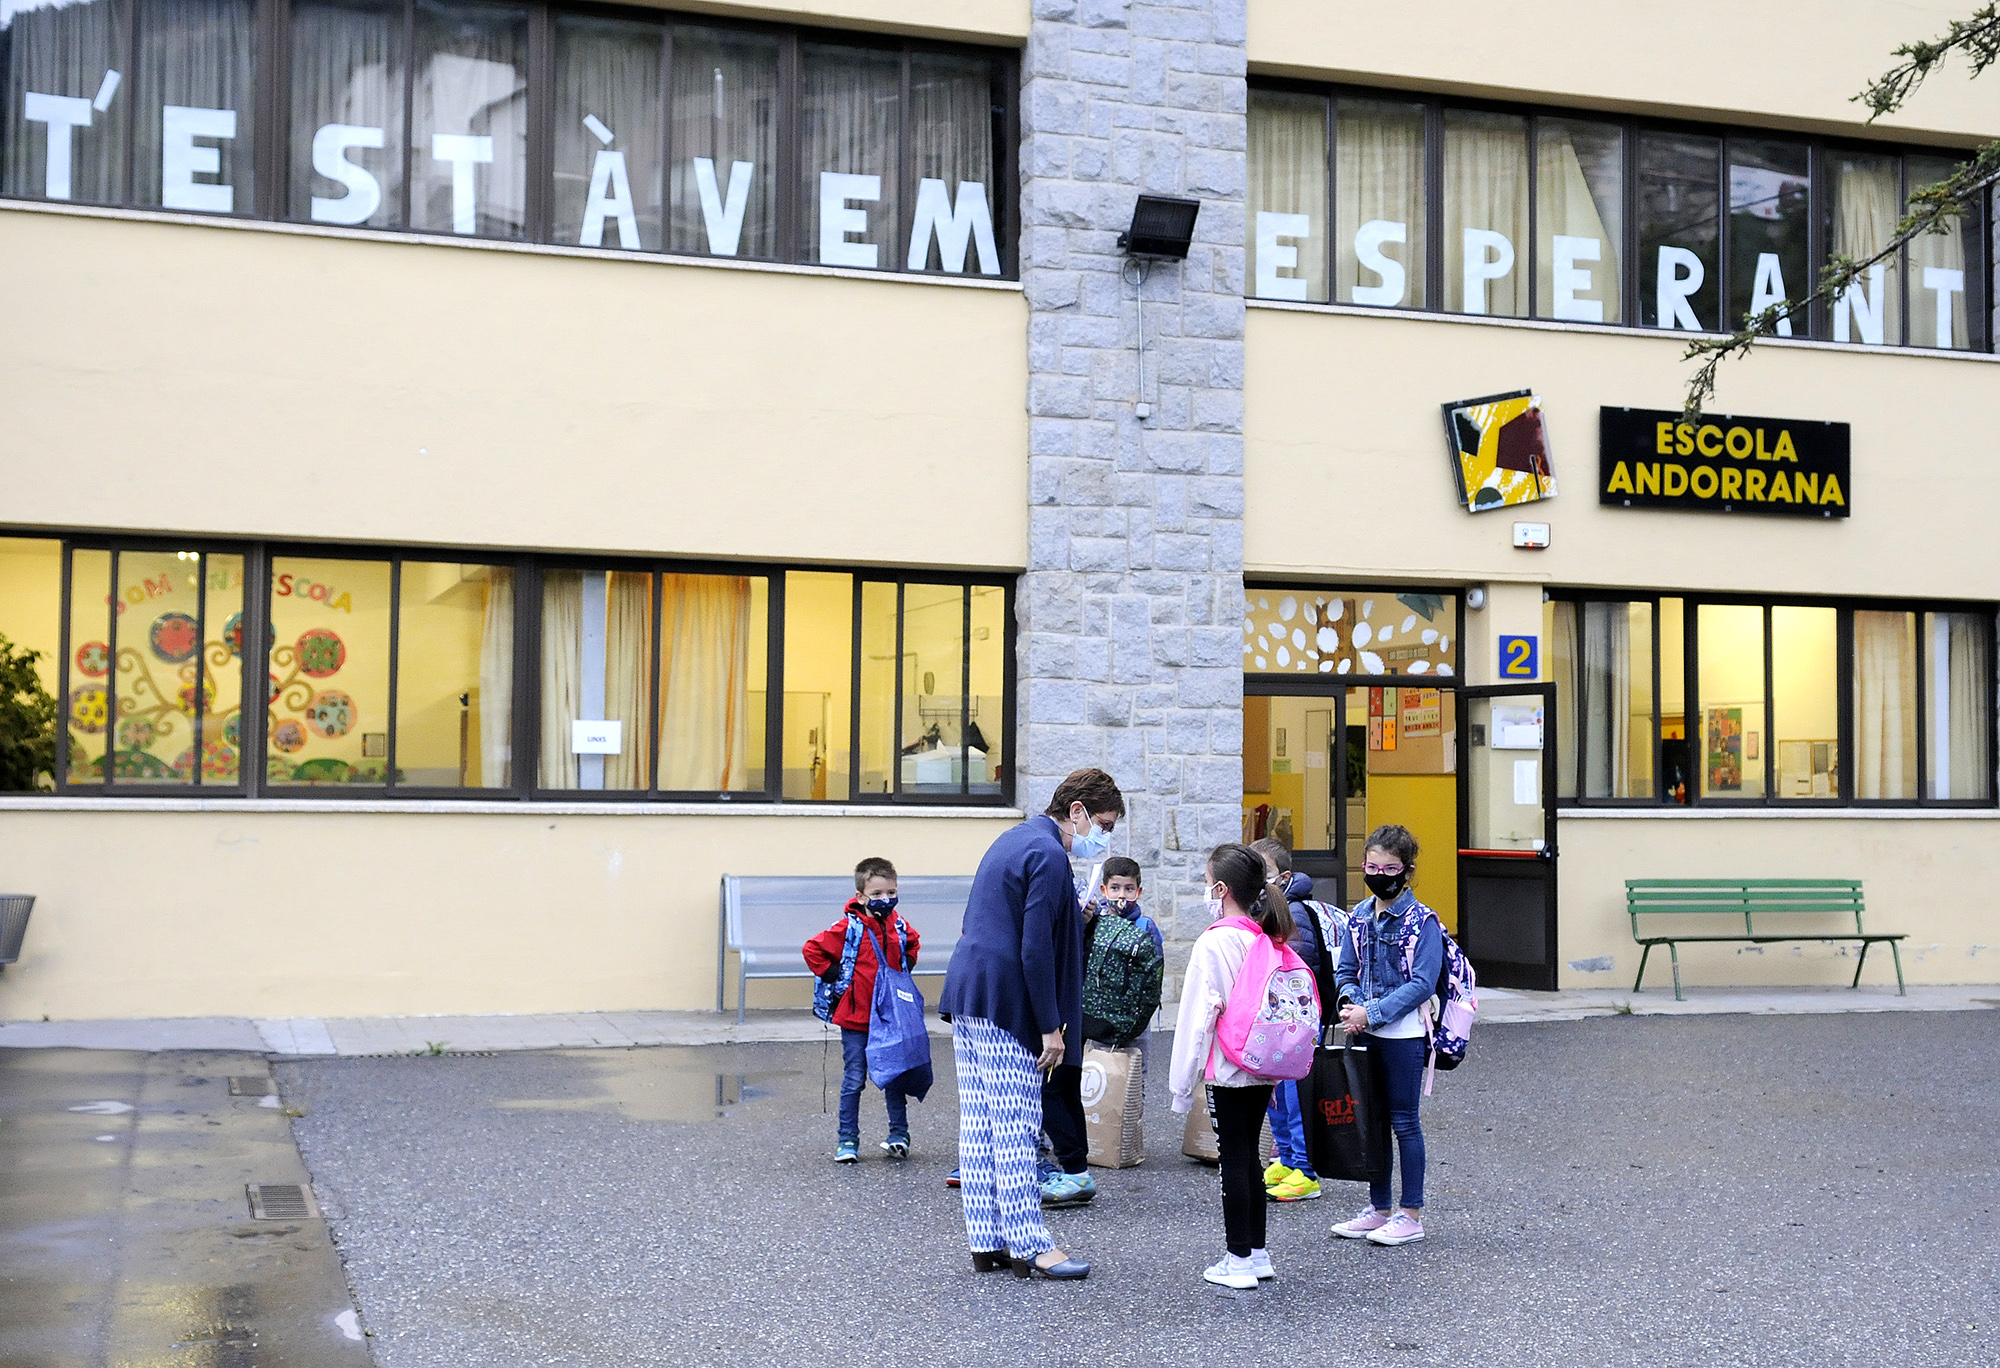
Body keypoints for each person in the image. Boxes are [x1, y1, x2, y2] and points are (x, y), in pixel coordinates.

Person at [939, 768, 1125, 1279]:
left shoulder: (1015, 838)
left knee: (979, 1124)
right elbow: (1035, 946)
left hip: (973, 990)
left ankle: (987, 1239)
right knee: (1018, 1126)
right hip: (1012, 1002)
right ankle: (1030, 1244)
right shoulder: (1047, 854)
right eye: (1103, 824)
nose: (1102, 837)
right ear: (1078, 810)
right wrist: (1050, 1026)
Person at [1169, 842, 1299, 1290]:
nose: (1205, 891)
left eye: (1207, 884)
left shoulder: (1215, 942)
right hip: (1265, 1062)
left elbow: (1195, 1018)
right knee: (1252, 1157)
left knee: (1234, 1158)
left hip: (1228, 1065)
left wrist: (1181, 1086)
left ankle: (1237, 1258)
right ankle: (1257, 1251)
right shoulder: (1263, 937)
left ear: (1221, 889)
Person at [1331, 824, 1442, 1247]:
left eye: (1389, 868)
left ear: (1407, 871)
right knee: (1372, 1123)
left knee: (1404, 1123)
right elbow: (1345, 971)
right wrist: (1351, 1006)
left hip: (1405, 1036)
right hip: (1366, 1033)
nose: (1379, 874)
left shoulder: (1422, 921)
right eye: (1371, 866)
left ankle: (1409, 1213)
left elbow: (1422, 983)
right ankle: (1378, 1209)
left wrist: (1369, 1013)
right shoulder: (1358, 915)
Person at [1034, 863, 1164, 1205]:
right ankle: (1079, 1164)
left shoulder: (1140, 926)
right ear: (1103, 889)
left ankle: (1092, 1159)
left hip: (1106, 1016)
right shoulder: (1098, 922)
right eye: (1115, 888)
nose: (1122, 895)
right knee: (1070, 1086)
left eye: (1129, 889)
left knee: (1061, 1087)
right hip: (1088, 1014)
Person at [802, 857, 924, 1164]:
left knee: (894, 1076)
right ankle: (847, 1139)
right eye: (878, 894)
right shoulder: (848, 927)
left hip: (890, 1015)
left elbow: (913, 943)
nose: (886, 900)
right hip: (856, 1017)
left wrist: (905, 965)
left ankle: (899, 1135)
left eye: (891, 893)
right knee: (855, 1077)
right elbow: (812, 949)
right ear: (861, 896)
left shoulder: (898, 924)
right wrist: (833, 974)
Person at [1248, 837, 1343, 1205]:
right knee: (1279, 1098)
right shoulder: (1272, 907)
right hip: (1280, 1023)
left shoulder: (1294, 911)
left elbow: (1296, 969)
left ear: (1284, 876)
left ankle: (1304, 1169)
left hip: (1295, 1024)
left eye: (1265, 874)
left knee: (1295, 1098)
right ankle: (1286, 1159)